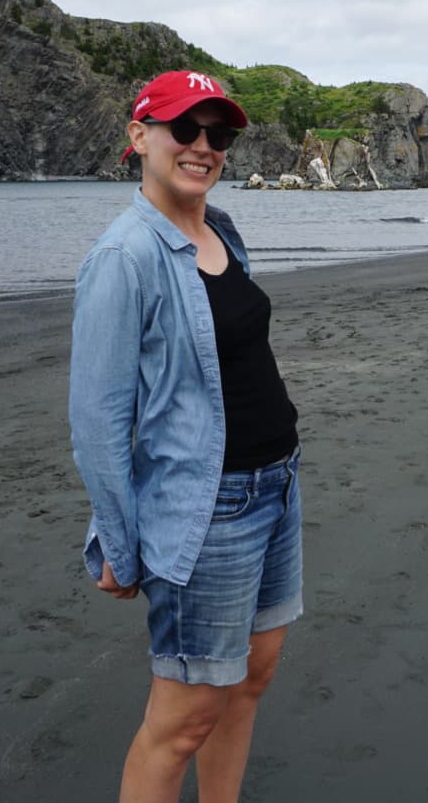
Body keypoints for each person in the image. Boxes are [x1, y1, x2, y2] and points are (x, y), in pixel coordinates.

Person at [70, 70, 303, 803]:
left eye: (220, 134)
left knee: (250, 680)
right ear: (139, 137)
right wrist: (118, 540)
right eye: (186, 129)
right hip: (210, 512)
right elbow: (98, 421)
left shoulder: (219, 228)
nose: (204, 147)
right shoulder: (123, 258)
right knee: (183, 717)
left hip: (278, 488)